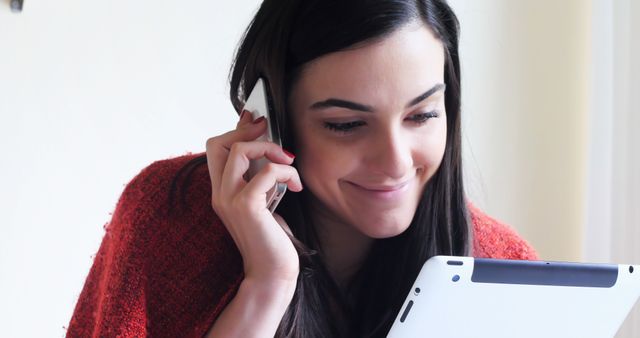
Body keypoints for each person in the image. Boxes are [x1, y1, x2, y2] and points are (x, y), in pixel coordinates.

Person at [66, 0, 537, 337]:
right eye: (347, 124)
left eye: (423, 115)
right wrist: (266, 287)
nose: (396, 161)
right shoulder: (167, 218)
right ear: (269, 120)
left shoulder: (504, 267)